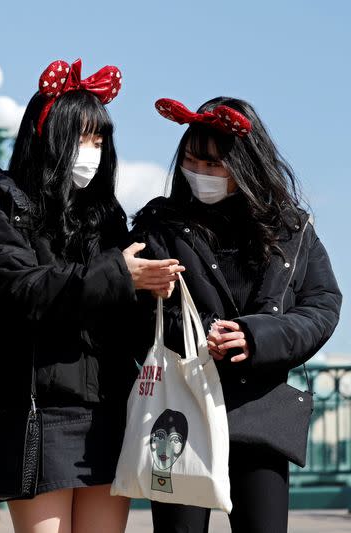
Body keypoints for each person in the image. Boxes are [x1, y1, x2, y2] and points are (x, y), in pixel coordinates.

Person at [0, 58, 184, 533]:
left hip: (108, 407)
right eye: (81, 138)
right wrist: (118, 275)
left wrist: (153, 287)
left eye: (99, 141)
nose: (92, 152)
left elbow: (123, 311)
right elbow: (22, 289)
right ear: (47, 138)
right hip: (35, 410)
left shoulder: (105, 214)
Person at [131, 96, 342, 533]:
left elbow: (322, 305)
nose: (199, 175)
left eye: (214, 165)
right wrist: (193, 331)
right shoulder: (158, 223)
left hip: (260, 413)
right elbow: (131, 315)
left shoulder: (290, 227)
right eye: (191, 161)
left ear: (245, 166)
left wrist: (255, 335)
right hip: (178, 413)